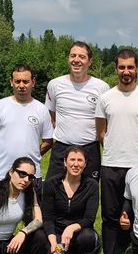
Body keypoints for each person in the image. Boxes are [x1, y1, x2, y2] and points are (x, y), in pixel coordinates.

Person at [95, 49, 138, 254]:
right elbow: (101, 133)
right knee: (110, 215)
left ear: (137, 68)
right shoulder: (105, 98)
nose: (126, 71)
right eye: (122, 67)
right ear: (116, 69)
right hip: (111, 163)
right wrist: (114, 147)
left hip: (137, 165)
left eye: (130, 67)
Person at [45, 41, 110, 181]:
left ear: (90, 61)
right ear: (68, 59)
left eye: (81, 57)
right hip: (61, 148)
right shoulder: (54, 85)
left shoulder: (102, 87)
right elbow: (52, 116)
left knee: (88, 193)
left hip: (90, 149)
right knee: (53, 191)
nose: (76, 60)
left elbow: (105, 122)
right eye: (72, 56)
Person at [39, 146, 101, 254]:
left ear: (85, 164)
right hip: (58, 234)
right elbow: (47, 218)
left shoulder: (91, 185)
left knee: (89, 237)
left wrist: (72, 227)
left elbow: (89, 218)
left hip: (80, 232)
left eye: (80, 160)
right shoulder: (51, 184)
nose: (76, 164)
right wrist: (53, 242)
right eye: (72, 160)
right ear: (65, 162)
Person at [0, 64, 53, 193]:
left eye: (25, 81)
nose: (21, 85)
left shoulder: (41, 109)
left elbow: (48, 141)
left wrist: (31, 157)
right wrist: (1, 154)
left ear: (33, 83)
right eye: (17, 81)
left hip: (31, 176)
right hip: (1, 173)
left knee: (32, 212)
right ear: (11, 82)